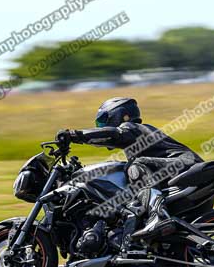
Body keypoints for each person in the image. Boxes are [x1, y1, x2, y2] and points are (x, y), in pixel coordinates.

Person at [56, 97, 203, 240]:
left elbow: (113, 134)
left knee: (135, 165)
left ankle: (158, 215)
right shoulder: (137, 140)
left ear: (121, 115)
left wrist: (75, 135)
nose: (101, 126)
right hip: (184, 178)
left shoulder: (130, 127)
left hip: (184, 164)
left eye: (103, 121)